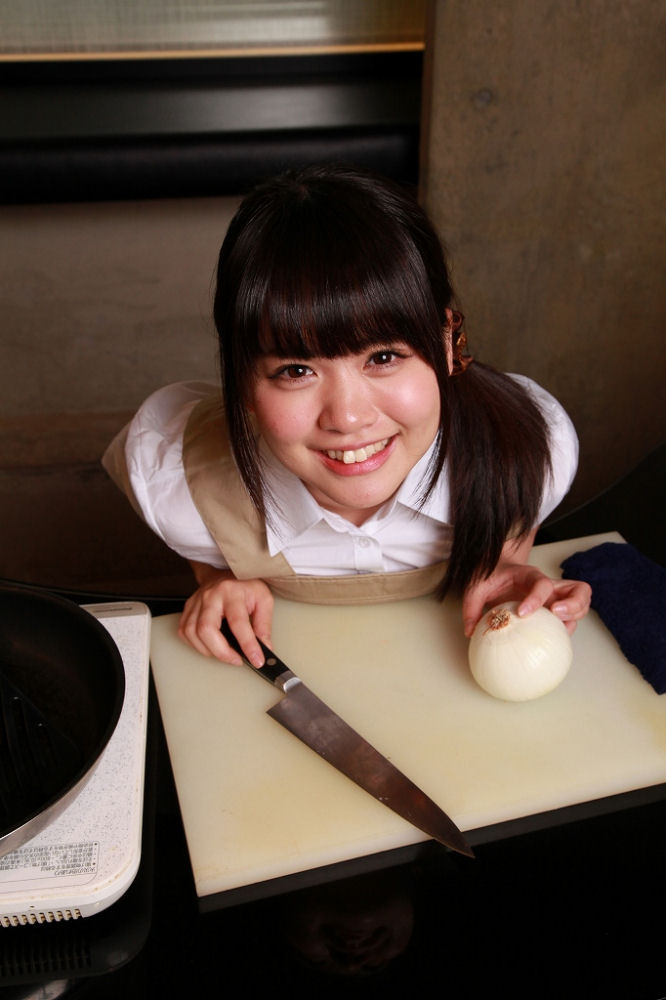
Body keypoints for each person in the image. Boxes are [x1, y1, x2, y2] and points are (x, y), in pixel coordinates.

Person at [103, 165, 591, 668]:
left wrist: (504, 565)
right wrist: (218, 577)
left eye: (383, 357)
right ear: (242, 381)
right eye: (296, 370)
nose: (348, 417)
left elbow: (509, 529)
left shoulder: (529, 448)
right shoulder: (180, 479)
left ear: (447, 344)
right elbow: (202, 528)